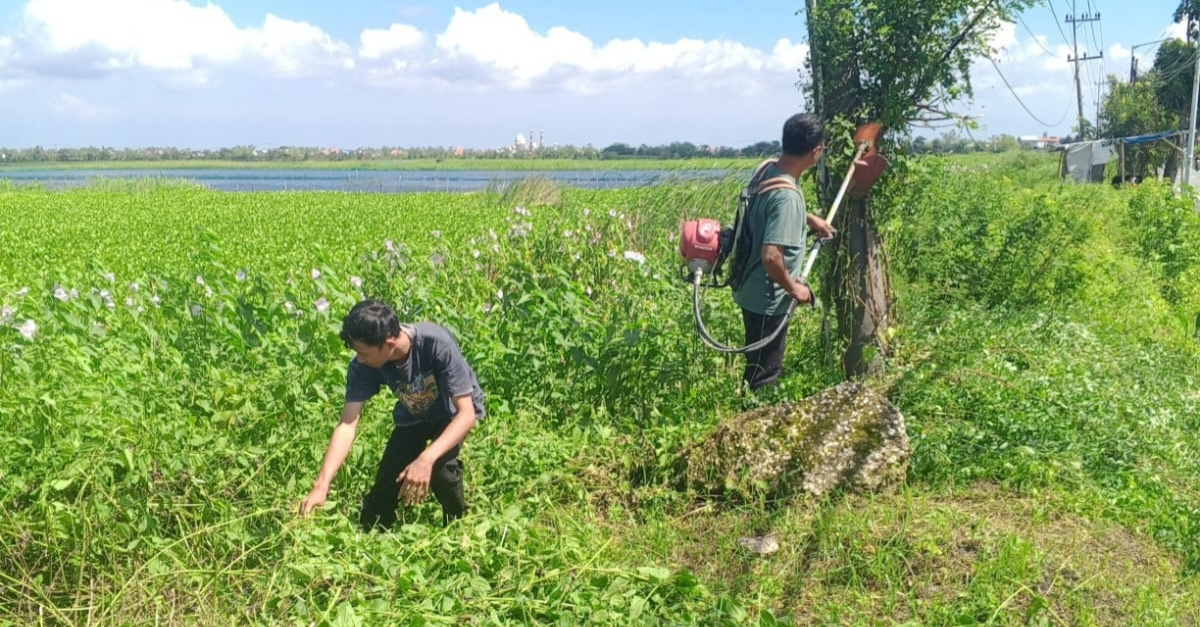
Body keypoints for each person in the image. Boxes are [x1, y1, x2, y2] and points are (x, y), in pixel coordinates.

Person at [298, 298, 485, 529]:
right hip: (414, 414)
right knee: (382, 495)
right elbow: (347, 424)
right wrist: (321, 485)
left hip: (452, 413)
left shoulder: (436, 344)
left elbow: (466, 415)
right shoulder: (364, 365)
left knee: (440, 470)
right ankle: (376, 533)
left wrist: (425, 459)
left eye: (364, 353)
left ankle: (458, 524)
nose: (359, 359)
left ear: (388, 344)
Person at [733, 113, 837, 392]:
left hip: (749, 289)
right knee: (765, 375)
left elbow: (773, 209)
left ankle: (746, 413)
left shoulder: (768, 170)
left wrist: (808, 218)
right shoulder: (788, 196)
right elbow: (771, 256)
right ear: (816, 151)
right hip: (768, 300)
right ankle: (754, 427)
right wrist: (796, 290)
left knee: (756, 364)